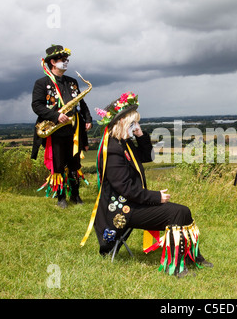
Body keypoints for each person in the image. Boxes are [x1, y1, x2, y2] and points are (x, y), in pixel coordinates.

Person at [80, 92, 212, 278]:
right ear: (121, 123)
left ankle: (192, 257)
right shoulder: (113, 150)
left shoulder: (122, 143)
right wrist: (155, 197)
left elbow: (146, 157)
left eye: (136, 123)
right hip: (123, 209)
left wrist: (140, 135)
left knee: (184, 211)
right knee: (176, 212)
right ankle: (174, 267)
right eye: (132, 123)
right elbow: (125, 188)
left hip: (132, 202)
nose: (135, 126)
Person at [31, 45, 93, 208]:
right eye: (62, 60)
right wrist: (56, 115)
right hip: (55, 130)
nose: (66, 63)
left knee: (75, 164)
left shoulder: (72, 81)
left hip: (73, 130)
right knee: (57, 164)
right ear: (52, 62)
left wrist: (87, 118)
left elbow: (81, 102)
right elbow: (36, 105)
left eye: (67, 60)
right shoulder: (41, 83)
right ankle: (61, 198)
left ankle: (75, 195)